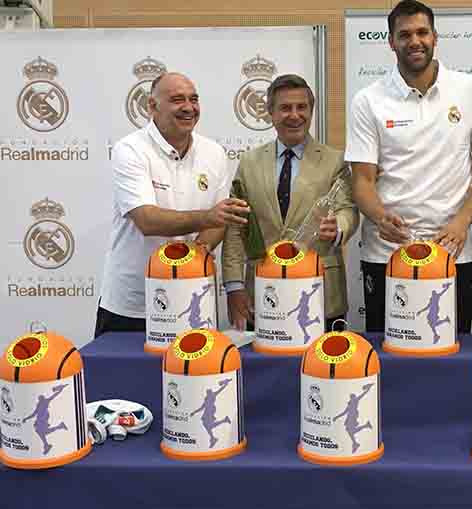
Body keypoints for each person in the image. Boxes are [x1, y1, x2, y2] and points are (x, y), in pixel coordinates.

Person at [345, 0, 472, 333]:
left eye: (422, 32)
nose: (414, 41)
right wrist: (378, 216)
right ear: (391, 41)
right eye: (404, 34)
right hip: (387, 253)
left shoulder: (470, 90)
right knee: (390, 357)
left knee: (451, 352)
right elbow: (361, 178)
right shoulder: (368, 100)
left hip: (451, 252)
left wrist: (462, 222)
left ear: (435, 36)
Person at [95, 72, 249, 338]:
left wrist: (199, 250)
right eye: (177, 99)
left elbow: (220, 220)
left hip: (192, 298)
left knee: (194, 379)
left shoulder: (214, 153)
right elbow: (147, 220)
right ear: (152, 107)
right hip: (133, 305)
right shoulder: (130, 150)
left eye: (194, 99)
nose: (189, 107)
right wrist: (209, 217)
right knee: (126, 380)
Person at [222, 74, 359, 332]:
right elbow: (235, 227)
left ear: (311, 111)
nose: (294, 115)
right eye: (285, 108)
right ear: (271, 113)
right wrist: (233, 285)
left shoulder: (334, 160)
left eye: (302, 107)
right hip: (263, 295)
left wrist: (338, 226)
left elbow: (348, 209)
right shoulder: (249, 162)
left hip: (320, 294)